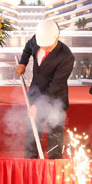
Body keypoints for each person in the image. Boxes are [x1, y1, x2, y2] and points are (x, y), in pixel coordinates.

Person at [16, 19, 74, 159]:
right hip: (35, 92)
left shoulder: (66, 56)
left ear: (57, 37)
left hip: (55, 98)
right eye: (43, 45)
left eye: (48, 46)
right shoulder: (37, 39)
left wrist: (38, 105)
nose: (45, 48)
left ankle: (54, 164)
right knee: (32, 132)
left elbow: (55, 85)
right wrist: (23, 63)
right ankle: (30, 163)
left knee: (54, 134)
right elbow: (28, 48)